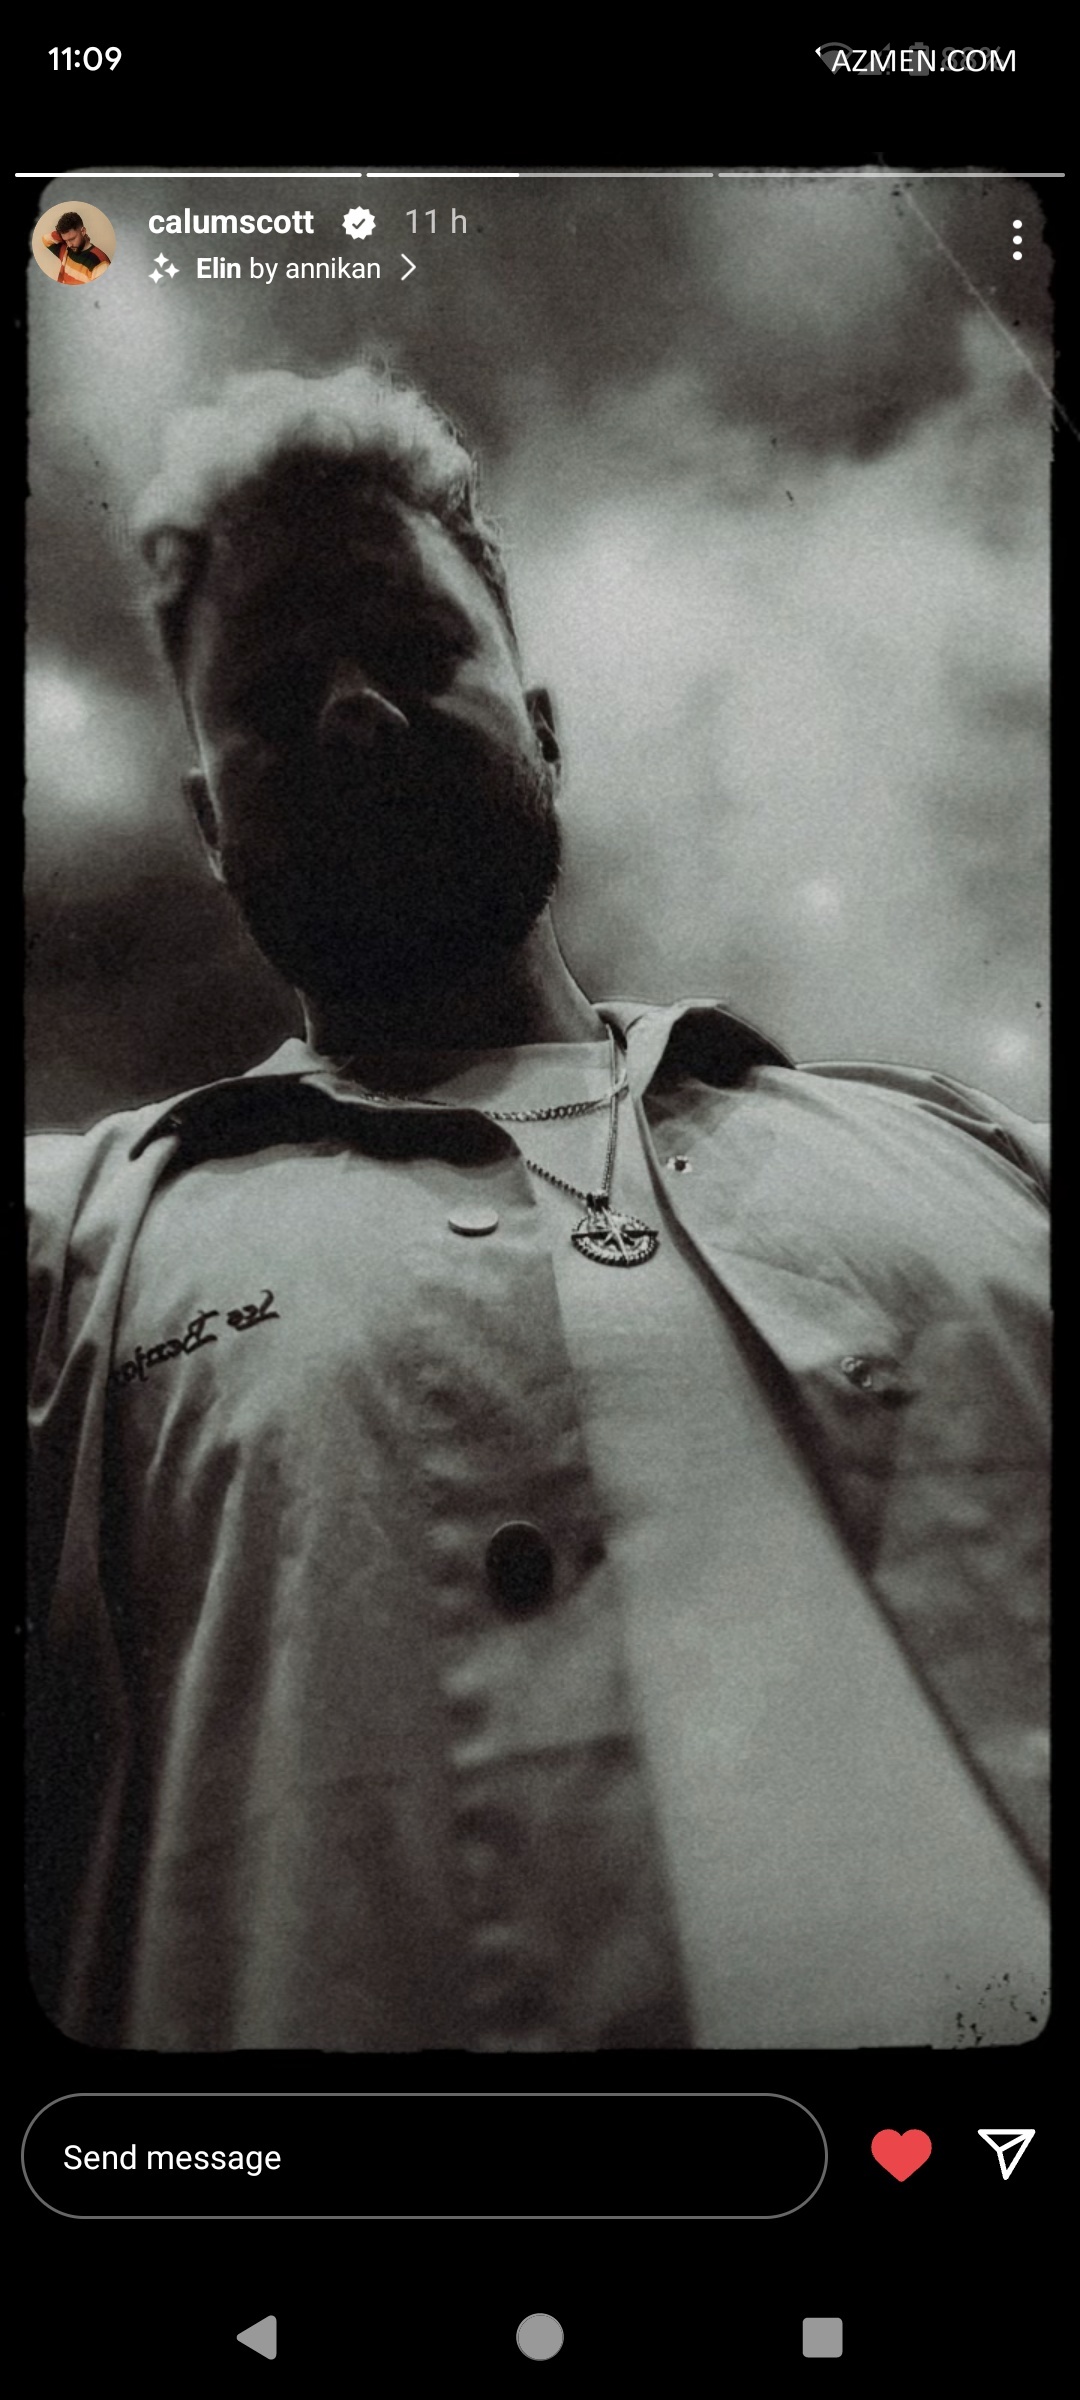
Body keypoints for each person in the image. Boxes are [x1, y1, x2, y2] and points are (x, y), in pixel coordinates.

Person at [27, 362, 1049, 2053]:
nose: (354, 710)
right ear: (207, 823)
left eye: (413, 646)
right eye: (271, 695)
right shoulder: (79, 1255)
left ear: (547, 725)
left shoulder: (985, 1159)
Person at [42, 210, 111, 284]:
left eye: (72, 239)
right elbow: (46, 239)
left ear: (83, 231)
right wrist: (62, 234)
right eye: (65, 240)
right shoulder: (65, 250)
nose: (69, 245)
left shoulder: (101, 263)